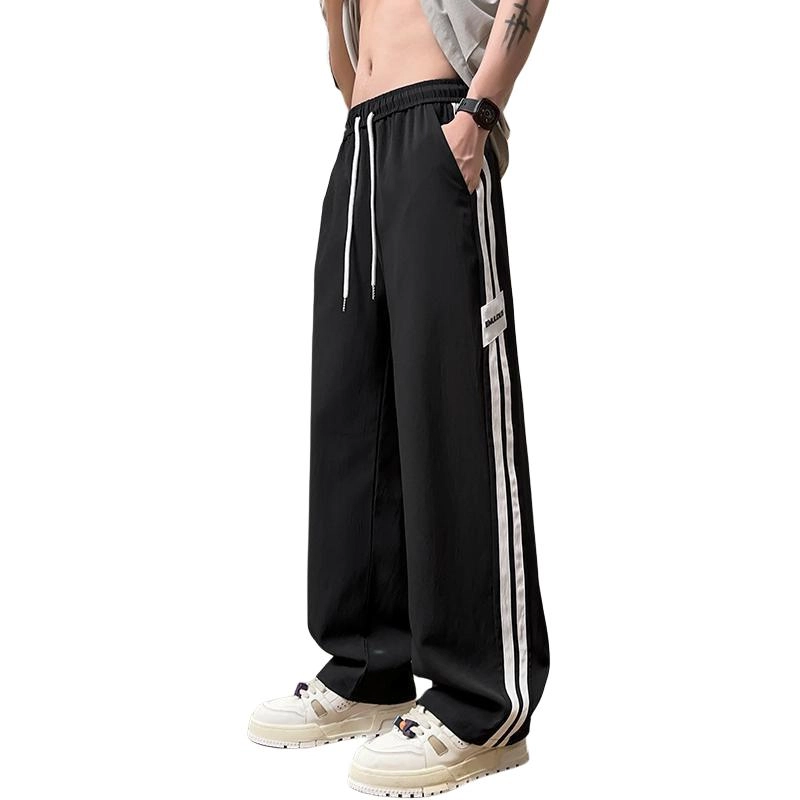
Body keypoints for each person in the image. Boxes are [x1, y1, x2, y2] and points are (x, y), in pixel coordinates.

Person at [249, 1, 550, 794]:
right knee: (353, 412)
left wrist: (480, 111)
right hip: (363, 137)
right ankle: (368, 665)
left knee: (451, 411)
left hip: (442, 119)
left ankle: (484, 704)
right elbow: (344, 55)